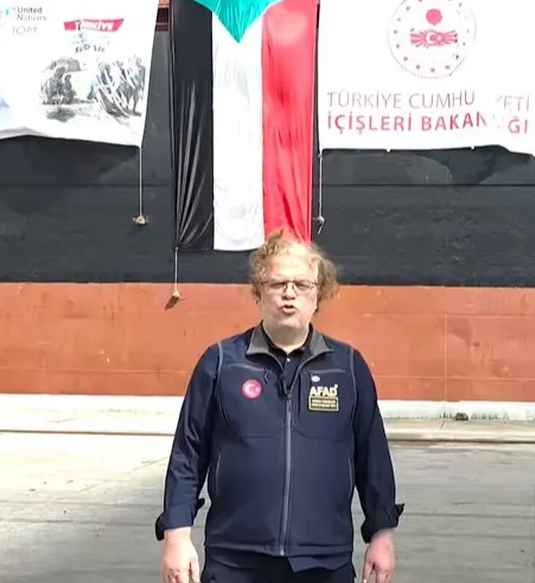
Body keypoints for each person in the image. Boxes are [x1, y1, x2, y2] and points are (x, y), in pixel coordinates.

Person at [154, 230, 404, 583]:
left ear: (318, 295)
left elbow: (373, 458)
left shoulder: (348, 368)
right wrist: (177, 535)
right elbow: (188, 454)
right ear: (258, 292)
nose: (290, 294)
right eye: (278, 283)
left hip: (324, 562)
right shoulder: (222, 362)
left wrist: (382, 534)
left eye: (302, 284)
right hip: (235, 561)